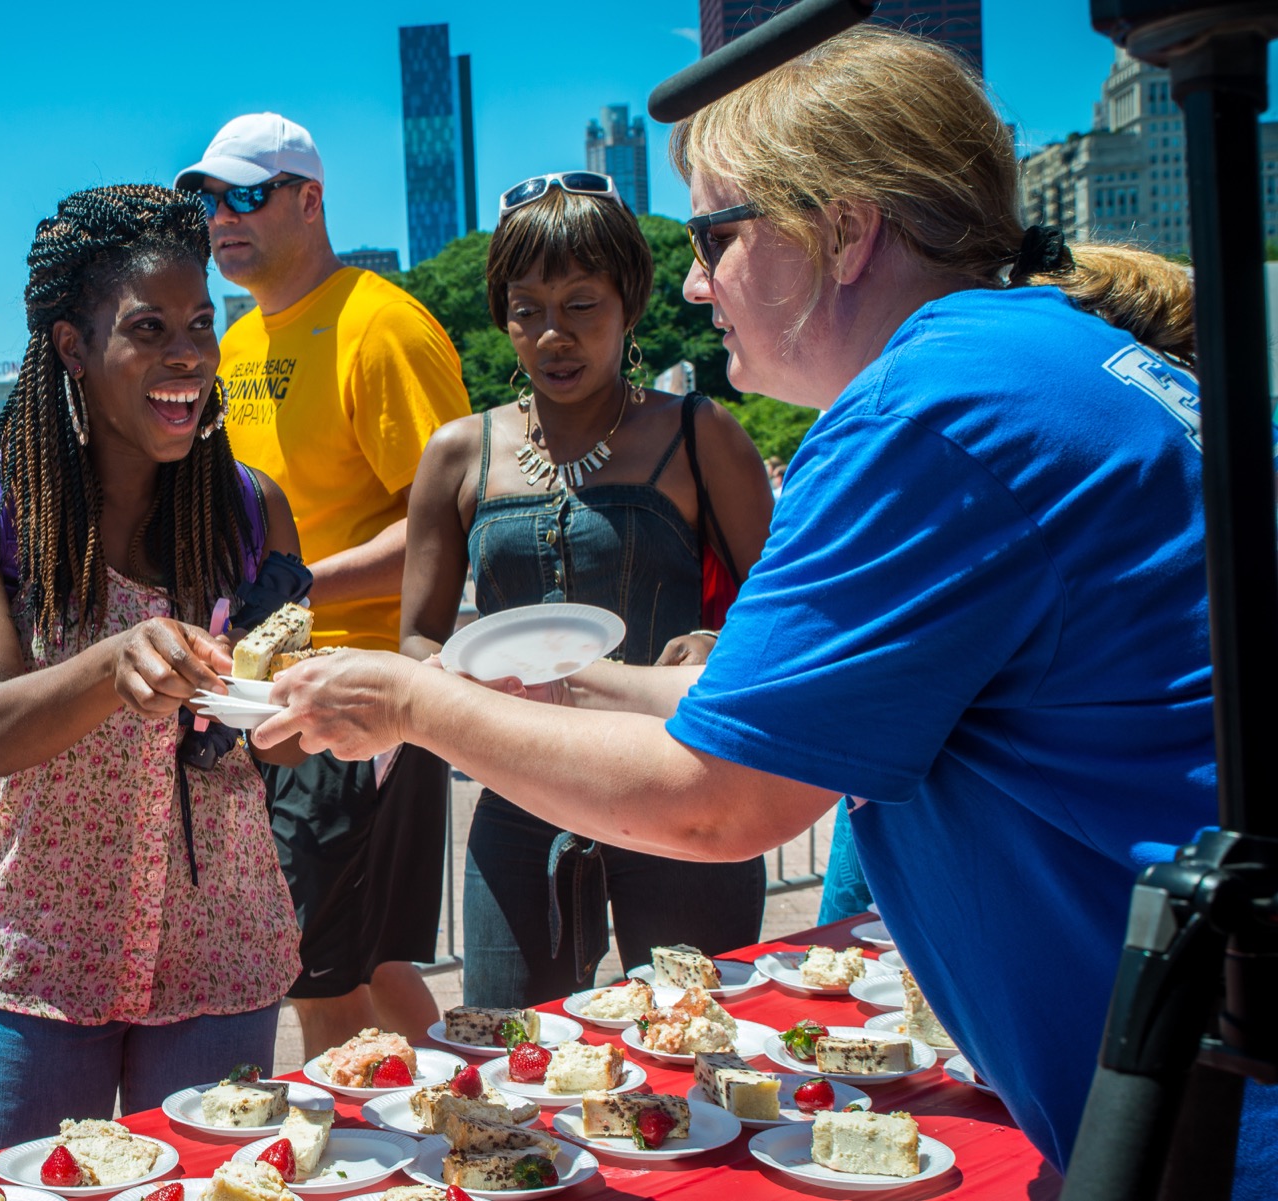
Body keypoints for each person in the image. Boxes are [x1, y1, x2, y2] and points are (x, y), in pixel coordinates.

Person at [253, 26, 1275, 1188]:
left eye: (715, 237)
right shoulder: (1043, 361)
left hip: (1219, 1123)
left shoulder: (923, 413)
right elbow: (780, 705)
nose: (695, 282)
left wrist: (411, 698)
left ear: (846, 231)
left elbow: (720, 801)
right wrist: (563, 679)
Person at [0, 184, 304, 1157]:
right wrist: (115, 660)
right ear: (72, 346)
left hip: (221, 953)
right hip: (38, 961)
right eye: (149, 327)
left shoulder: (254, 509)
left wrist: (305, 708)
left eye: (202, 323)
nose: (189, 354)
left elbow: (277, 741)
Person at [402, 174, 772, 1007]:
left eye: (580, 305)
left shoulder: (698, 433)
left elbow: (782, 608)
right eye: (526, 310)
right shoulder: (458, 455)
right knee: (511, 1051)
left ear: (629, 303)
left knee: (699, 1039)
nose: (551, 335)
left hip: (680, 788)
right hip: (519, 793)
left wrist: (716, 641)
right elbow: (418, 636)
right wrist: (458, 676)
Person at [175, 113, 468, 1056]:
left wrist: (291, 593)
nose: (222, 217)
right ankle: (471, 1103)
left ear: (310, 201)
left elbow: (450, 519)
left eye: (246, 195)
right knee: (366, 965)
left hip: (363, 693)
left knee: (321, 976)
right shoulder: (236, 343)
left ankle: (353, 1136)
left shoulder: (381, 326)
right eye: (210, 200)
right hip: (276, 697)